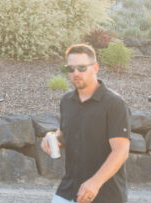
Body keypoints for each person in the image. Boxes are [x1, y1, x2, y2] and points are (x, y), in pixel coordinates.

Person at [40, 44, 130, 203]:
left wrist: (95, 183)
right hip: (68, 190)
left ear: (95, 68)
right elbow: (64, 132)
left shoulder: (114, 104)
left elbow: (121, 151)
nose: (76, 73)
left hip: (104, 194)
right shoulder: (67, 101)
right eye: (71, 68)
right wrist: (51, 137)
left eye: (82, 68)